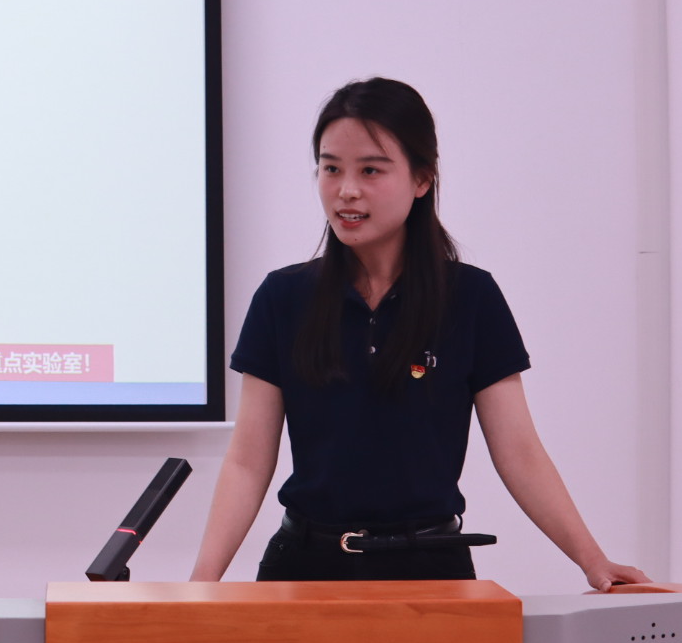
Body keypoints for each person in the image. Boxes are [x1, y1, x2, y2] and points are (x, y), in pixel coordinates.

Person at [189, 78, 649, 588]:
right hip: (302, 568)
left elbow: (519, 452)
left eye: (370, 170)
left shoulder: (470, 297)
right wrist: (200, 585)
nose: (346, 190)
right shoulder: (283, 297)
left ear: (422, 179)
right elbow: (248, 462)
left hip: (431, 567)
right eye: (331, 168)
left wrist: (591, 559)